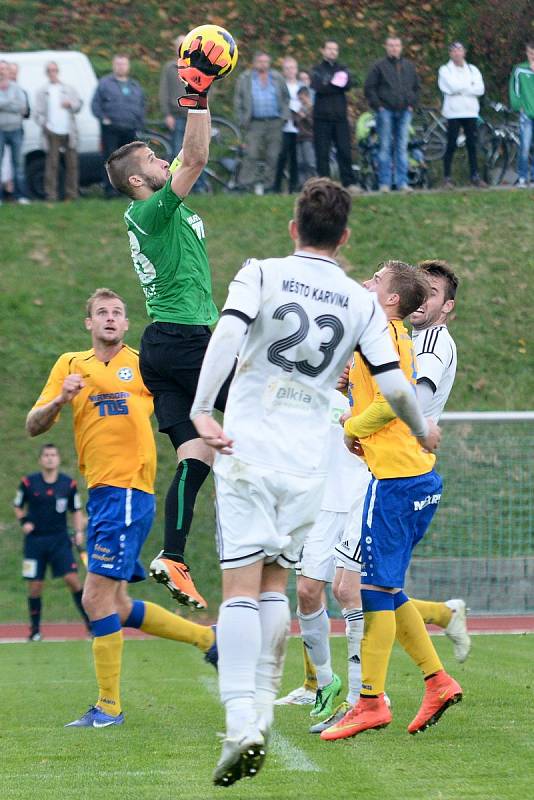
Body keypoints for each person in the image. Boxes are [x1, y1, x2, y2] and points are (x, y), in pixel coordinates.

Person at [189, 177, 441, 785]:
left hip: (250, 450)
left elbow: (227, 333)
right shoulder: (358, 302)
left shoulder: (262, 272)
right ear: (345, 236)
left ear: (294, 227)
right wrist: (421, 429)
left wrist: (203, 408)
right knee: (277, 586)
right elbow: (397, 386)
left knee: (240, 590)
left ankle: (243, 720)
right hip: (308, 468)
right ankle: (267, 712)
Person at [25, 288, 217, 728]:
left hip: (129, 490)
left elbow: (185, 396)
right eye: (101, 313)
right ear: (88, 324)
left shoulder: (144, 363)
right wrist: (60, 399)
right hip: (101, 495)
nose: (110, 318)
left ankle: (109, 707)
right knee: (118, 602)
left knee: (94, 597)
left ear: (126, 324)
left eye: (117, 313)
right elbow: (34, 425)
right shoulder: (70, 366)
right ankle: (208, 639)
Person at [104, 38, 231, 610]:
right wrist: (195, 94)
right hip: (186, 340)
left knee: (195, 457)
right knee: (264, 399)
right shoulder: (148, 210)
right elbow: (197, 159)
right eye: (155, 162)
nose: (165, 163)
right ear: (137, 181)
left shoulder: (158, 205)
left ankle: (173, 554)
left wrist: (200, 100)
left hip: (163, 348)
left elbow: (190, 153)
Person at [320, 260, 462, 742]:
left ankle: (370, 701)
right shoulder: (377, 332)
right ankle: (437, 680)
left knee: (371, 592)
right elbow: (379, 392)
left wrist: (352, 427)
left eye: (376, 279)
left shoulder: (392, 335)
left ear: (392, 299)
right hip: (406, 479)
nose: (367, 281)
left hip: (397, 482)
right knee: (383, 588)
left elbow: (398, 398)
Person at [13, 443, 90, 641]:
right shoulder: (28, 483)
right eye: (46, 455)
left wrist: (79, 532)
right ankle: (35, 631)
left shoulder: (68, 484)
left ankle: (91, 626)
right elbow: (18, 505)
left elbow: (76, 511)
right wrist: (24, 522)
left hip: (60, 540)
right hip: (35, 542)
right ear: (40, 459)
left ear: (58, 459)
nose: (49, 458)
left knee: (72, 580)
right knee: (35, 586)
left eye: (53, 455)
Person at [364, 37, 420, 192]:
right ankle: (384, 183)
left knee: (402, 147)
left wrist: (411, 104)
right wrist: (379, 106)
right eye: (391, 45)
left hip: (405, 111)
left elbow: (416, 87)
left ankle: (402, 182)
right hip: (385, 111)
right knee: (385, 147)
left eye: (397, 45)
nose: (394, 48)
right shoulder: (378, 66)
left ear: (401, 47)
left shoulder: (408, 66)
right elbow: (369, 88)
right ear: (386, 47)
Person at [234, 52, 289, 193]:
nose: (263, 64)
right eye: (260, 61)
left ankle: (268, 186)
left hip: (275, 122)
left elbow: (285, 97)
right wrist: (241, 119)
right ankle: (245, 184)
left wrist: (284, 116)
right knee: (251, 154)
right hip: (254, 123)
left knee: (273, 155)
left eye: (266, 61)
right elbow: (238, 100)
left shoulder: (277, 77)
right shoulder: (245, 78)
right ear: (254, 62)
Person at [91, 54, 145, 198]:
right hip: (111, 130)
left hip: (130, 129)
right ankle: (110, 190)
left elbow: (141, 105)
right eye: (118, 64)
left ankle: (126, 191)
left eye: (124, 64)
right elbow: (95, 105)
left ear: (128, 66)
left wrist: (139, 122)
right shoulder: (104, 83)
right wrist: (104, 119)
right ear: (114, 66)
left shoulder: (135, 85)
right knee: (111, 161)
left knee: (128, 161)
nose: (121, 67)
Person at [159, 36, 208, 193]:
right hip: (178, 116)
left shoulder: (198, 66)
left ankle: (199, 186)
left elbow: (205, 89)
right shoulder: (170, 68)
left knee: (200, 150)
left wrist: (205, 110)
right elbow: (163, 92)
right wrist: (167, 114)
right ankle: (176, 187)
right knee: (179, 152)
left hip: (196, 115)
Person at [311, 41, 358, 193]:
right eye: (329, 49)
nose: (332, 52)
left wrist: (330, 83)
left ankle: (348, 182)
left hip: (340, 117)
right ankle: (323, 185)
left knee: (344, 150)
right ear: (323, 51)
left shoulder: (342, 68)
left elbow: (348, 84)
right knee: (322, 153)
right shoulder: (316, 70)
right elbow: (319, 87)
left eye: (335, 49)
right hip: (321, 118)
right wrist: (335, 84)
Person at [438, 43, 486, 188]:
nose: (457, 53)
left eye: (460, 50)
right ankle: (447, 178)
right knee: (451, 144)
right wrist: (469, 86)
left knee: (472, 144)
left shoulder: (473, 69)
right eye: (454, 51)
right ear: (450, 54)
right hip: (453, 112)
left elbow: (480, 89)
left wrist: (461, 88)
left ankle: (475, 176)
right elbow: (450, 87)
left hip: (471, 112)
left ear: (464, 52)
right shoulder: (445, 70)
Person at [35, 61, 82, 202]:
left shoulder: (68, 88)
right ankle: (51, 195)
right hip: (51, 132)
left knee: (72, 164)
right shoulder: (42, 91)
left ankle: (72, 194)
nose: (52, 73)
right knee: (52, 165)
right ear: (46, 73)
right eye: (50, 70)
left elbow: (79, 105)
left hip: (69, 131)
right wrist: (45, 124)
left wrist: (71, 104)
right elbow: (37, 114)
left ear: (58, 71)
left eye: (54, 70)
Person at [0, 59, 30, 205]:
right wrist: (11, 102)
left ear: (7, 71)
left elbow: (23, 108)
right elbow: (15, 105)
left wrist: (4, 105)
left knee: (18, 165)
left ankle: (21, 196)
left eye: (4, 69)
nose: (2, 71)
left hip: (16, 130)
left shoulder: (16, 88)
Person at [273, 56, 301, 194]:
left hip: (298, 127)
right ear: (283, 71)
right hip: (283, 126)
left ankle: (294, 187)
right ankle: (276, 187)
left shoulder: (302, 86)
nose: (290, 71)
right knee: (281, 157)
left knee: (296, 158)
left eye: (293, 68)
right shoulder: (279, 86)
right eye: (287, 68)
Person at [509, 41, 534, 188]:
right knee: (524, 146)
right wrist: (519, 106)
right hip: (527, 115)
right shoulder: (520, 69)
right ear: (526, 53)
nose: (532, 56)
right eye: (530, 53)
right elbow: (514, 91)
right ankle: (523, 177)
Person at [295, 86, 316, 186]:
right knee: (300, 163)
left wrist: (305, 117)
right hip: (299, 138)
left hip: (309, 138)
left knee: (309, 162)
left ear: (306, 96)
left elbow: (314, 124)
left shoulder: (313, 108)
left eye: (301, 98)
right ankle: (302, 184)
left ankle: (313, 183)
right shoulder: (300, 108)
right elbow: (296, 124)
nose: (300, 100)